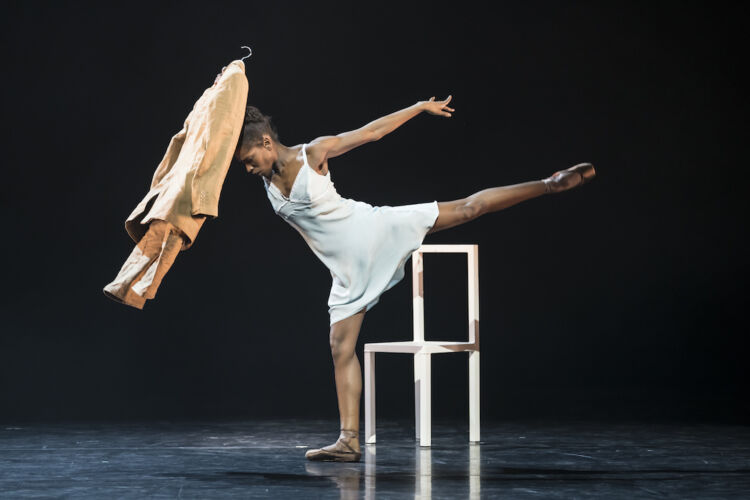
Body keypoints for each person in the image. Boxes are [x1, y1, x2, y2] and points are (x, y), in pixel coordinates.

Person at [233, 96, 595, 462]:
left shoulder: (313, 153)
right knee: (340, 348)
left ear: (266, 141)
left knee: (468, 208)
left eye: (249, 160)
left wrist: (419, 107)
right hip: (345, 268)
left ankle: (551, 183)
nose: (248, 170)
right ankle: (348, 441)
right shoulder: (267, 180)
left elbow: (371, 132)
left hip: (374, 229)